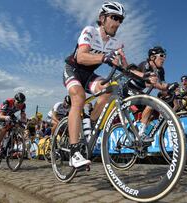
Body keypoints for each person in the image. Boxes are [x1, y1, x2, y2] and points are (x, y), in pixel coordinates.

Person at [62, 1, 128, 167]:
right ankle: (74, 152)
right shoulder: (90, 31)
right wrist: (103, 57)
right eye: (114, 18)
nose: (118, 23)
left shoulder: (117, 43)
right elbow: (81, 57)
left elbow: (125, 67)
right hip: (73, 70)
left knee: (109, 89)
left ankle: (90, 123)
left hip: (89, 75)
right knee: (79, 98)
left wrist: (145, 76)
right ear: (102, 18)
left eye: (120, 19)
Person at [0, 92, 27, 159]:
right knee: (3, 129)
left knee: (17, 125)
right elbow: (1, 116)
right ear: (14, 100)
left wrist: (24, 121)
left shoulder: (23, 105)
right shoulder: (7, 102)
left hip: (10, 114)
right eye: (18, 102)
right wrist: (5, 117)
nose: (20, 104)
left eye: (22, 103)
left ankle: (8, 145)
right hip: (1, 115)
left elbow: (22, 116)